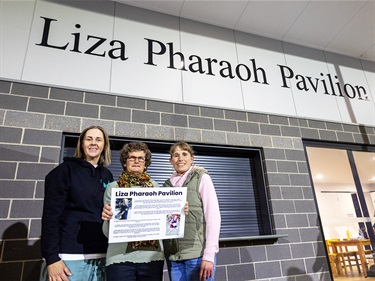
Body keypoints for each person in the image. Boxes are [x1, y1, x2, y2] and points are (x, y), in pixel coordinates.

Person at [41, 125, 114, 281]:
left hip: (101, 256)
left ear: (104, 146)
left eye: (98, 139)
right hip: (69, 257)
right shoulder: (65, 170)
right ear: (81, 143)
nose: (93, 143)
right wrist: (52, 258)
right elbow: (50, 216)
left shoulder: (107, 175)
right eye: (89, 139)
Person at [102, 142, 164, 281]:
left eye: (141, 158)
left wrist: (179, 211)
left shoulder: (156, 187)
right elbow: (107, 233)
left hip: (151, 258)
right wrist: (107, 219)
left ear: (146, 163)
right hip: (119, 258)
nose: (136, 161)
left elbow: (164, 223)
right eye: (132, 158)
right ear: (125, 162)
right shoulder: (113, 188)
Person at [163, 142, 221, 281]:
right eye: (175, 155)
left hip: (197, 255)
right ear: (171, 161)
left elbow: (213, 216)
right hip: (174, 257)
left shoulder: (201, 177)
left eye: (184, 154)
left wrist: (209, 255)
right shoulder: (166, 186)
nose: (180, 158)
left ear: (192, 158)